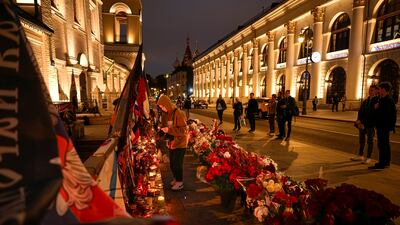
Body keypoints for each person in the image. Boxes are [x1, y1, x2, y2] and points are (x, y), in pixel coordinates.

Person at [157, 94, 188, 190]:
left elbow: (183, 131)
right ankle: (176, 178)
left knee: (177, 164)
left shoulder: (179, 113)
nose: (162, 109)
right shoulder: (167, 114)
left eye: (163, 106)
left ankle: (180, 182)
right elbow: (168, 127)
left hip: (180, 143)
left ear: (167, 104)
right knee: (172, 164)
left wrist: (168, 130)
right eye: (161, 107)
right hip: (172, 143)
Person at [368, 82, 397, 170]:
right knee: (384, 144)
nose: (378, 90)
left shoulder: (388, 100)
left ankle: (382, 163)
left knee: (383, 145)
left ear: (384, 89)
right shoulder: (382, 99)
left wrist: (377, 108)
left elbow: (387, 115)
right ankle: (385, 162)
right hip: (382, 126)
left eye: (380, 89)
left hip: (384, 126)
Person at [351, 85, 379, 164]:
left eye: (372, 90)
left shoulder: (377, 101)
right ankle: (360, 155)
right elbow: (361, 111)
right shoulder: (366, 101)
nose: (370, 91)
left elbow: (371, 114)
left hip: (370, 125)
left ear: (376, 91)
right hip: (362, 124)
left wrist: (363, 122)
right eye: (370, 90)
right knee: (361, 140)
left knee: (370, 141)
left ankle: (368, 157)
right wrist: (359, 121)